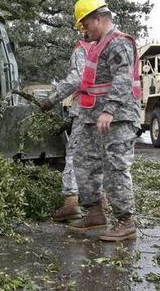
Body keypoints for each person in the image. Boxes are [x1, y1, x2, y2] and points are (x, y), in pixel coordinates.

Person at [66, 0, 142, 242]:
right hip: (92, 117)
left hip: (117, 117)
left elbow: (122, 78)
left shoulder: (119, 43)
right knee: (83, 161)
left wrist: (110, 109)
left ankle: (125, 222)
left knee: (115, 167)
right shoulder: (98, 45)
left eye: (86, 24)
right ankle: (95, 212)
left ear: (99, 19)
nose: (85, 31)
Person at [41, 34, 94, 222]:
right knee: (98, 155)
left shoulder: (83, 49)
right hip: (107, 110)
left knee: (73, 154)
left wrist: (51, 99)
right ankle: (100, 204)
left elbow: (76, 79)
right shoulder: (108, 47)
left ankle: (71, 203)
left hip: (86, 108)